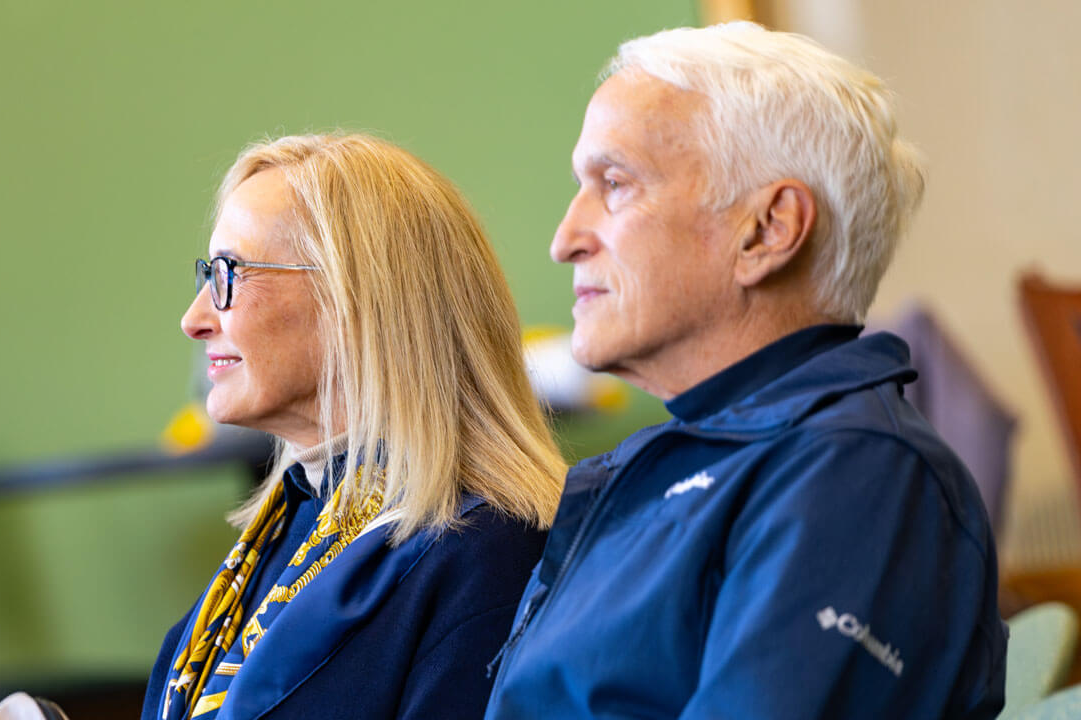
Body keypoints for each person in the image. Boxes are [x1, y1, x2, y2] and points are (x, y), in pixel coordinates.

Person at [483, 22, 1006, 720]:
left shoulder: (859, 473)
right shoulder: (667, 464)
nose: (565, 240)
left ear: (767, 229)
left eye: (615, 183)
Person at [143, 133, 566, 720]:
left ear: (358, 298)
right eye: (207, 275)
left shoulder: (489, 555)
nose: (194, 320)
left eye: (230, 273)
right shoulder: (281, 531)